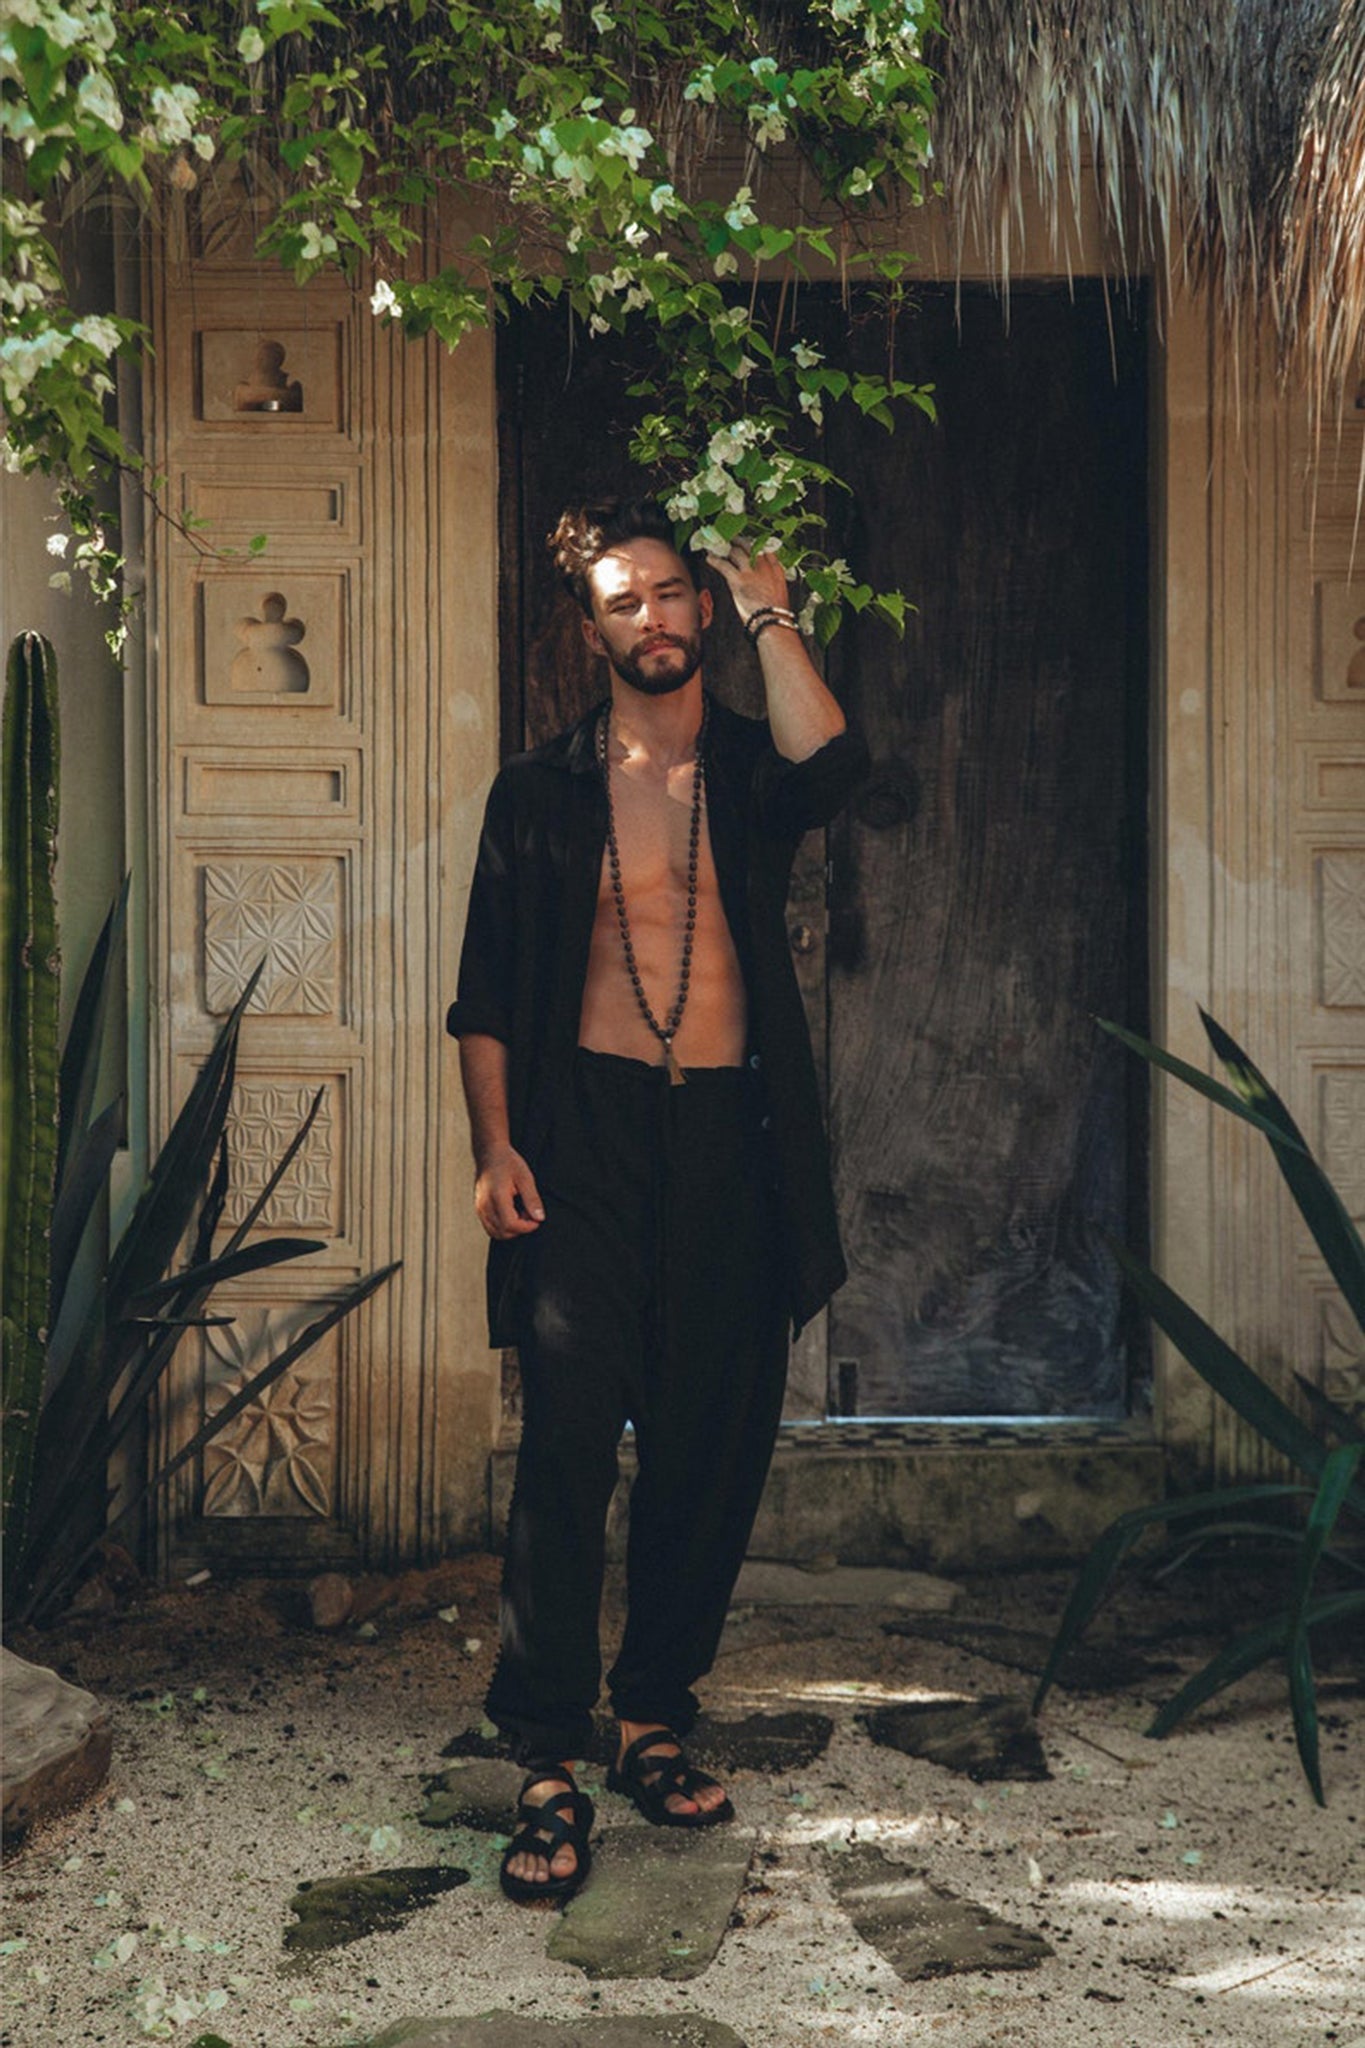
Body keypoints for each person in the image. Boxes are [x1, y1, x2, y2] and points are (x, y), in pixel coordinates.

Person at [447, 497, 867, 1903]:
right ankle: (548, 1748)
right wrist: (496, 1150)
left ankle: (652, 1715)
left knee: (711, 1435)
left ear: (700, 610)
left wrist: (771, 610)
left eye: (673, 597)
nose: (654, 621)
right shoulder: (541, 791)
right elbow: (487, 995)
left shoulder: (750, 770)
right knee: (568, 1433)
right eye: (627, 603)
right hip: (586, 1137)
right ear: (593, 631)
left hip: (734, 1142)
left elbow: (834, 764)